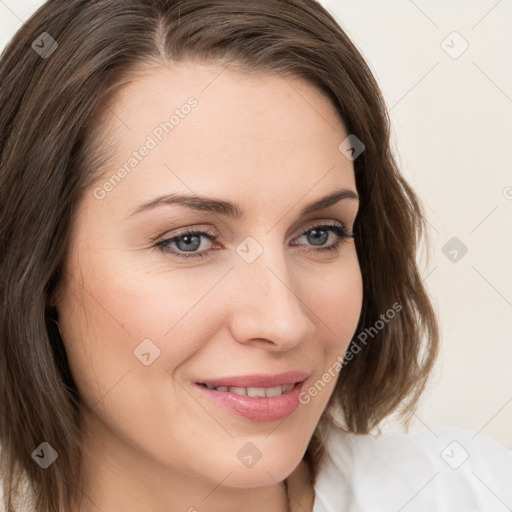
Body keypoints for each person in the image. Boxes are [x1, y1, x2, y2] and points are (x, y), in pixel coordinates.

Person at [0, 1, 511, 511]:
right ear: (40, 266)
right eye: (189, 240)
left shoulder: (471, 492)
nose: (284, 322)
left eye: (318, 235)